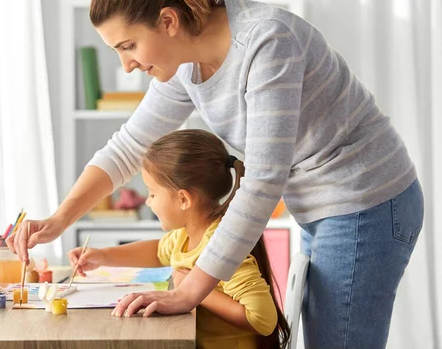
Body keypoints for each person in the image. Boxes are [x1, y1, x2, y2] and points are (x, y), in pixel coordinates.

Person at [6, 0, 424, 347]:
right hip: (325, 206)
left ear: (168, 21)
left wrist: (189, 292)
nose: (126, 64)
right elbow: (129, 146)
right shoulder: (186, 62)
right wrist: (59, 220)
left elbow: (262, 180)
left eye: (128, 46)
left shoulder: (265, 44)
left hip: (366, 200)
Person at [68, 129, 290, 349]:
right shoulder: (185, 234)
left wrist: (194, 292)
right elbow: (157, 252)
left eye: (152, 193)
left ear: (183, 199)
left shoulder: (222, 245)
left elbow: (263, 320)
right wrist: (102, 256)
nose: (148, 202)